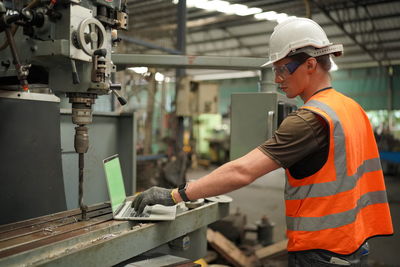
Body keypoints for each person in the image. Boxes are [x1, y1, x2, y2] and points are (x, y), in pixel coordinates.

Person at [132, 17, 393, 266]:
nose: (278, 79)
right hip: (355, 244)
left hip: (322, 251)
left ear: (311, 65)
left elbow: (242, 171)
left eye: (283, 69)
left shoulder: (310, 120)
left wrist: (176, 194)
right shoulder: (351, 108)